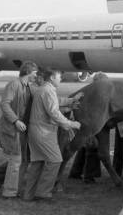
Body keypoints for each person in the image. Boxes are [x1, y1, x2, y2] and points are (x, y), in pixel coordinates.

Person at [23, 68, 81, 201]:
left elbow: (55, 101)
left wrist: (71, 100)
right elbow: (54, 112)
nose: (61, 79)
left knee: (38, 163)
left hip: (38, 130)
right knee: (55, 160)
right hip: (43, 132)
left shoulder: (45, 89)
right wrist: (72, 124)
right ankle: (43, 193)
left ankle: (28, 195)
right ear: (52, 78)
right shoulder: (48, 90)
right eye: (59, 77)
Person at [0, 61, 38, 198]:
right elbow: (5, 105)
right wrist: (16, 121)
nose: (36, 76)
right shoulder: (14, 85)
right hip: (10, 129)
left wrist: (69, 102)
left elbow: (45, 98)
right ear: (28, 72)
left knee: (21, 160)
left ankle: (2, 180)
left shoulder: (30, 87)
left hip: (20, 130)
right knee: (16, 160)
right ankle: (9, 193)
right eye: (35, 73)